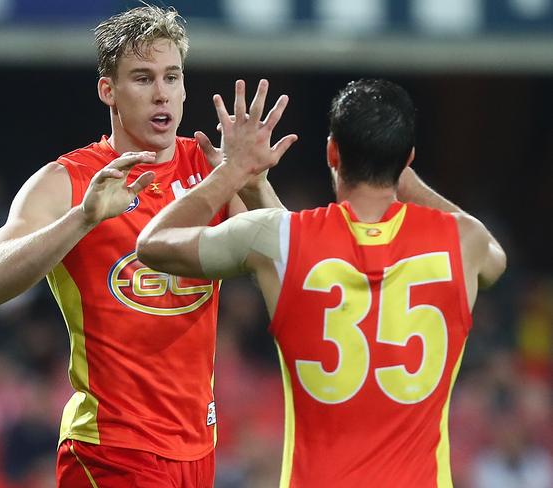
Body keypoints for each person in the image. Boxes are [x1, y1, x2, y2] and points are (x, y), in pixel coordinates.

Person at [0, 5, 289, 487]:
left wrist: (253, 182)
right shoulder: (70, 181)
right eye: (142, 78)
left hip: (197, 449)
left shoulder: (208, 170)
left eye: (171, 77)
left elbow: (290, 267)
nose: (161, 93)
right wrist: (84, 217)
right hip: (110, 449)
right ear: (108, 91)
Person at [137, 78, 507, 487]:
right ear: (408, 159)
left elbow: (152, 244)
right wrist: (407, 180)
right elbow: (495, 258)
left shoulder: (280, 239)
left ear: (332, 151)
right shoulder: (464, 243)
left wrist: (232, 173)